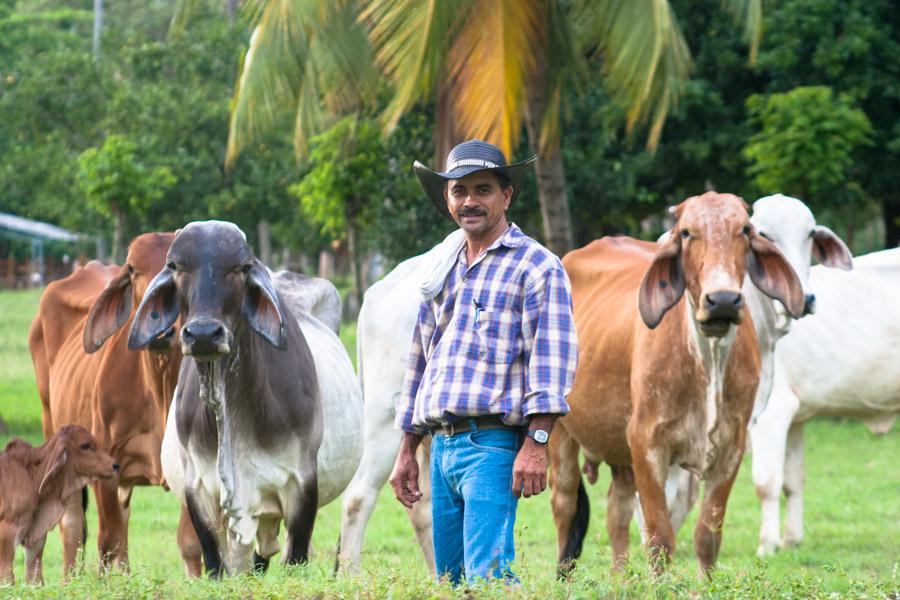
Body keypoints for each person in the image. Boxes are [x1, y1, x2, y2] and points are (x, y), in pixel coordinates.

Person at [389, 139, 578, 584]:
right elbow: (421, 359)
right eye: (459, 191)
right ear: (447, 199)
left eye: (483, 190)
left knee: (487, 578)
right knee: (449, 581)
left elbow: (551, 364)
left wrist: (535, 445)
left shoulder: (536, 267)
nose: (470, 201)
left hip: (491, 445)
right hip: (442, 447)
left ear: (506, 196)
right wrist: (406, 450)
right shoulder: (443, 265)